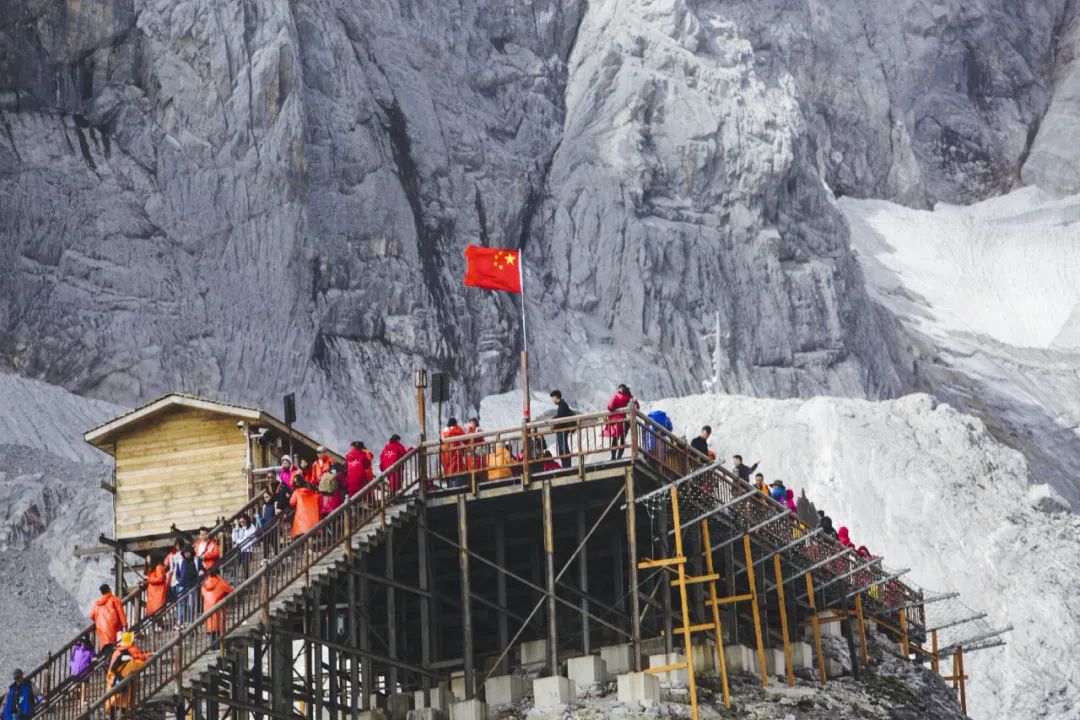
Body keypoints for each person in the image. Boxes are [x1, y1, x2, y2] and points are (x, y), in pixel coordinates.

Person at [104, 633, 149, 717]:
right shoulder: (131, 650)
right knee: (126, 701)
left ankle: (112, 716)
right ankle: (127, 715)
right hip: (125, 679)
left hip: (113, 679)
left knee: (113, 702)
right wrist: (148, 656)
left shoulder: (117, 651)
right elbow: (140, 660)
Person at [603, 384, 639, 460]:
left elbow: (610, 407)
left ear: (619, 389)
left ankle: (613, 457)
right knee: (623, 439)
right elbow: (637, 406)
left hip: (617, 421)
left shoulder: (617, 396)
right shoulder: (629, 396)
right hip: (626, 421)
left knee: (615, 439)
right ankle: (620, 456)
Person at [200, 568, 233, 647]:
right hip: (218, 608)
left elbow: (202, 594)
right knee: (218, 628)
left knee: (211, 628)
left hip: (207, 608)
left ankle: (212, 646)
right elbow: (230, 590)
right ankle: (218, 646)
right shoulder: (220, 582)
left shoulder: (204, 585)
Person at [90, 584, 127, 652]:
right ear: (109, 590)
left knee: (107, 650)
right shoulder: (114, 599)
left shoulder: (97, 604)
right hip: (113, 628)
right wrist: (125, 625)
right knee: (116, 648)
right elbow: (120, 612)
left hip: (101, 630)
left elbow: (92, 616)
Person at [174, 546, 201, 626]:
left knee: (191, 604)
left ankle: (191, 620)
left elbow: (202, 569)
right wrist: (180, 580)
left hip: (192, 585)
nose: (187, 554)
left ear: (191, 553)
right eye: (185, 552)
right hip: (182, 586)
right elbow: (177, 574)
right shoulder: (180, 561)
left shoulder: (196, 560)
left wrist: (200, 575)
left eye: (188, 552)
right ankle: (180, 621)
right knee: (180, 603)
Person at [549, 390, 575, 469]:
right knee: (562, 449)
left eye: (553, 398)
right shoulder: (562, 405)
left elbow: (562, 419)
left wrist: (554, 423)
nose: (552, 400)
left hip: (562, 430)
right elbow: (560, 416)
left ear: (556, 397)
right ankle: (566, 466)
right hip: (561, 430)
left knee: (564, 449)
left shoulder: (562, 406)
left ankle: (567, 467)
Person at [440, 418, 467, 485]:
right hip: (454, 453)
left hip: (445, 453)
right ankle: (457, 485)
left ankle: (449, 485)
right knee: (456, 469)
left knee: (448, 470)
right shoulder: (456, 429)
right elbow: (465, 438)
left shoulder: (443, 432)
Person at [231, 515, 258, 579]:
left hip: (248, 549)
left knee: (245, 565)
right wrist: (235, 530)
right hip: (239, 549)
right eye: (240, 522)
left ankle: (247, 579)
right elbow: (234, 539)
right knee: (235, 564)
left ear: (247, 520)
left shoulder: (251, 527)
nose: (242, 523)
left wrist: (239, 541)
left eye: (243, 521)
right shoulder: (240, 528)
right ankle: (233, 579)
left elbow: (251, 537)